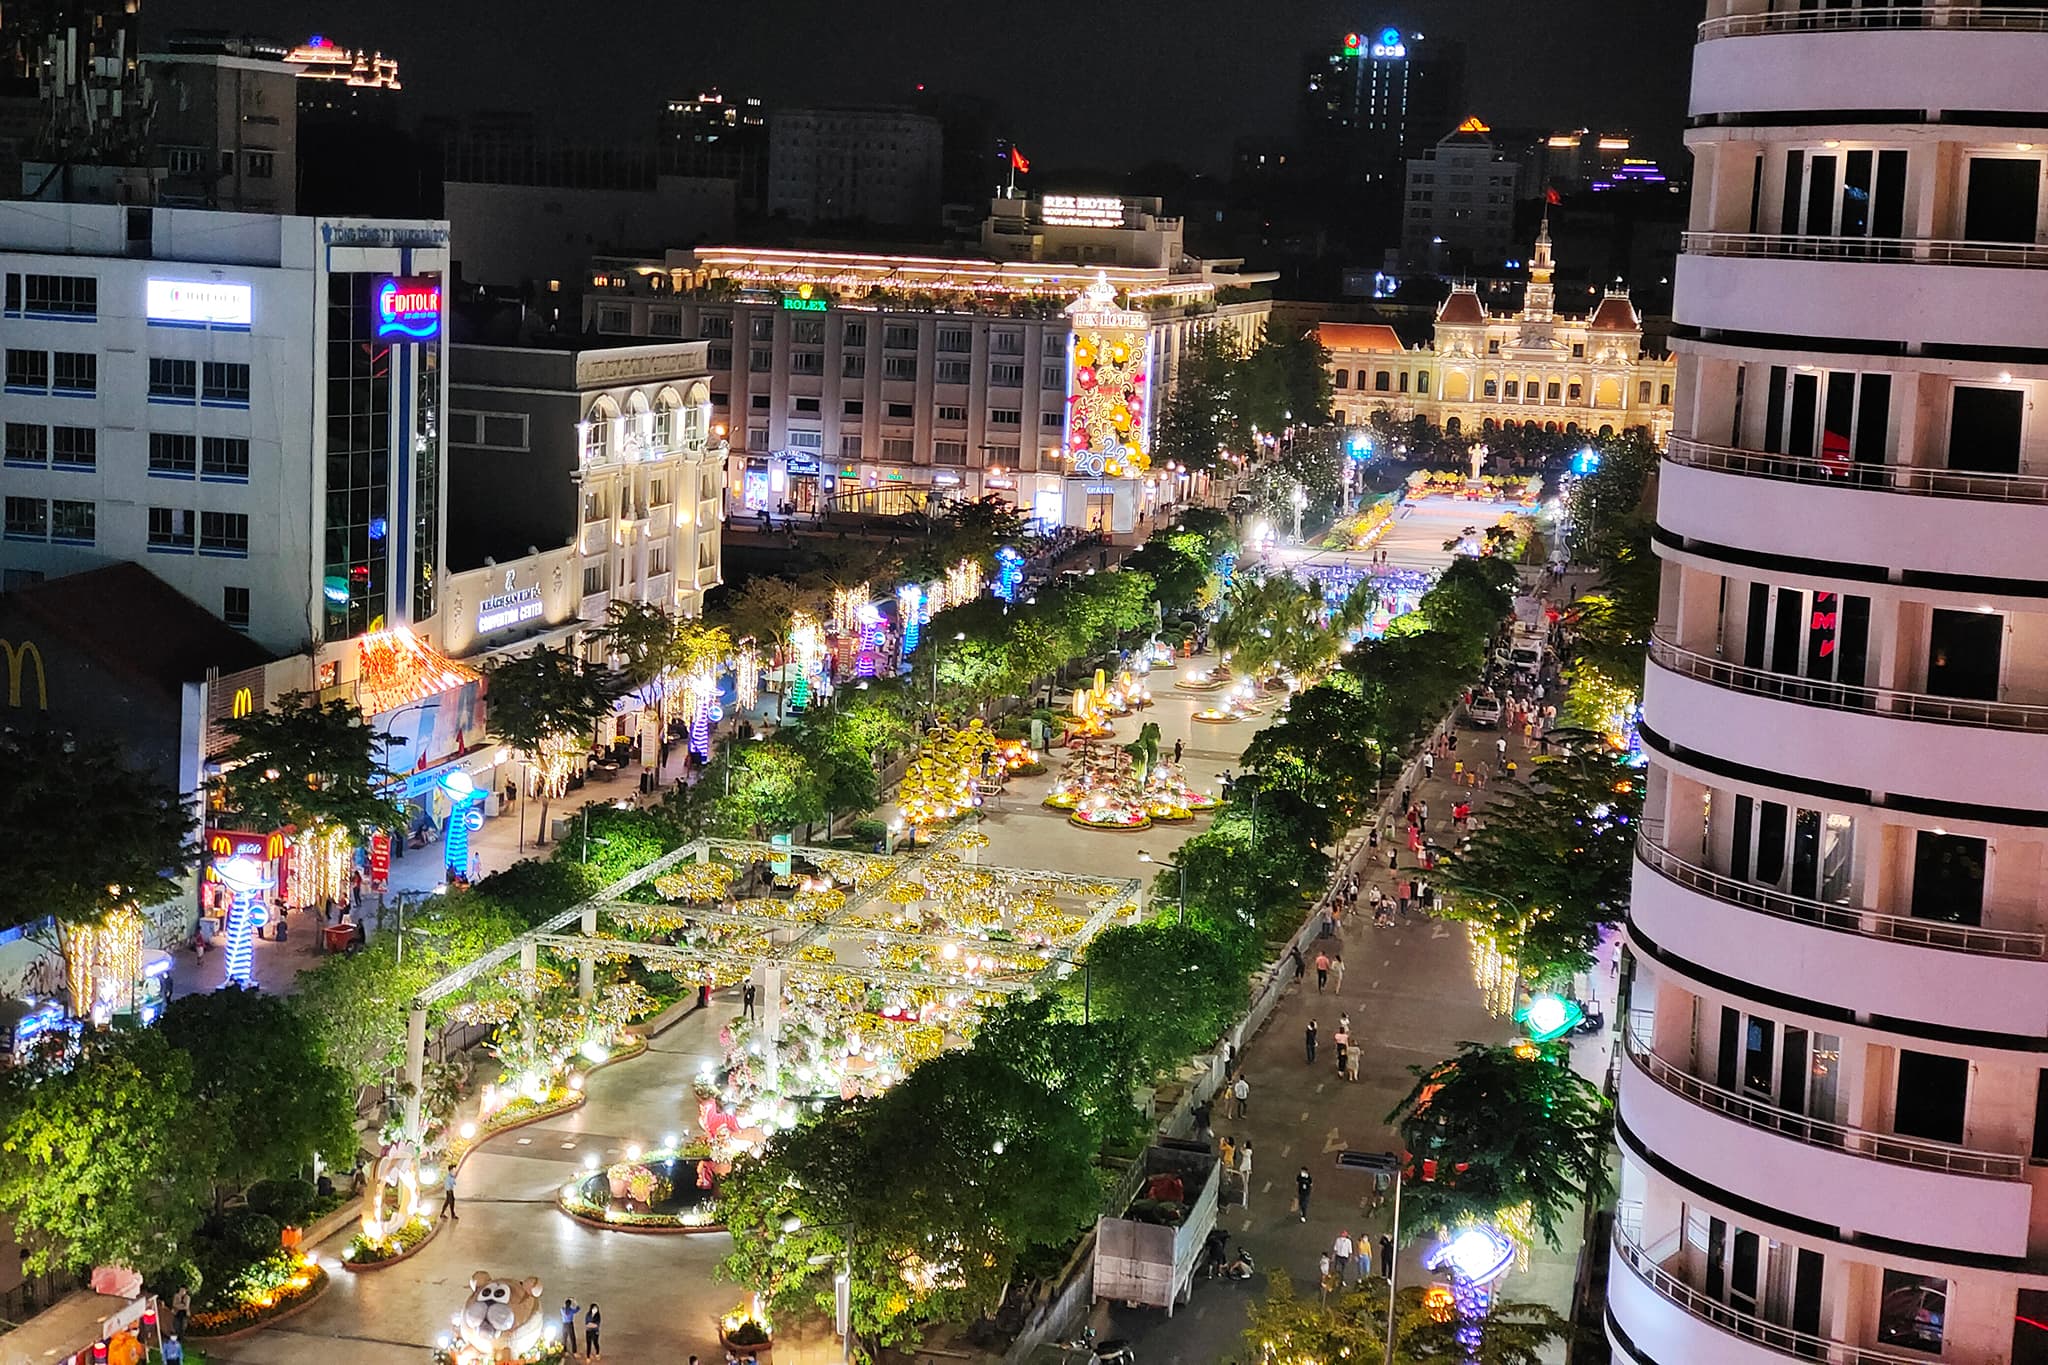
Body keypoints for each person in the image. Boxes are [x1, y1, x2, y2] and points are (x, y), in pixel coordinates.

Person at [1237, 1142, 1253, 1208]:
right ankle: (1245, 1202)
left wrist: (1241, 1149)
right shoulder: (1249, 1151)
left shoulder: (1248, 1151)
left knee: (1245, 1185)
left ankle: (1245, 1202)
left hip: (1245, 1168)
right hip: (1246, 1168)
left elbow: (1242, 1152)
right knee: (1245, 1184)